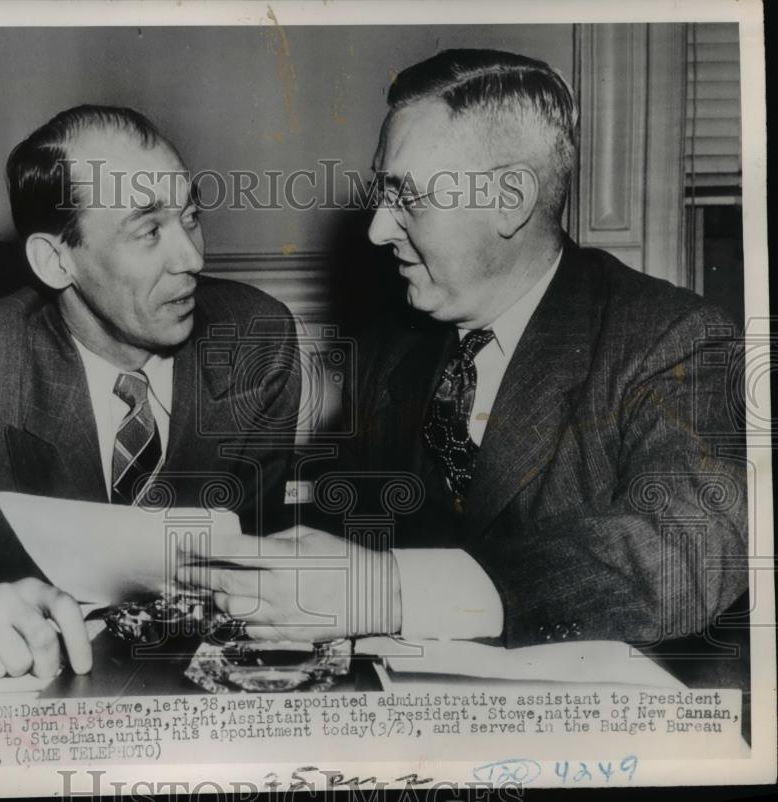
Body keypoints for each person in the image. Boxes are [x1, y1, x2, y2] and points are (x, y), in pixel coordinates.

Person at [180, 49, 748, 651]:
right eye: (381, 193)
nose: (377, 229)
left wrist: (388, 591)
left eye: (407, 198)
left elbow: (689, 547)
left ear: (510, 199)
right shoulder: (389, 352)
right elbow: (359, 540)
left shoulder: (675, 339)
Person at [0, 105, 301, 679]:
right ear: (56, 261)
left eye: (191, 217)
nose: (193, 258)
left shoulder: (255, 339)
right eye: (149, 230)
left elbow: (262, 553)